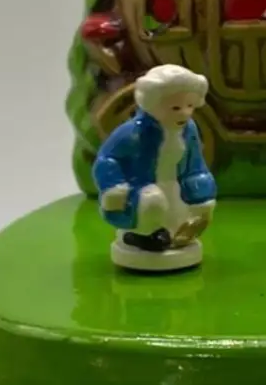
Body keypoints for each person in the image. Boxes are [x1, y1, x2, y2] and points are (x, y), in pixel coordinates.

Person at [92, 64, 217, 270]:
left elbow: (195, 163)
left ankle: (173, 235)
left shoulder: (189, 130)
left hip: (173, 186)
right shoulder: (133, 133)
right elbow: (107, 158)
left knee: (180, 216)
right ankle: (140, 235)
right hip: (141, 189)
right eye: (175, 108)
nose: (185, 113)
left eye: (190, 106)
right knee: (153, 203)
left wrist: (202, 191)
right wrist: (114, 186)